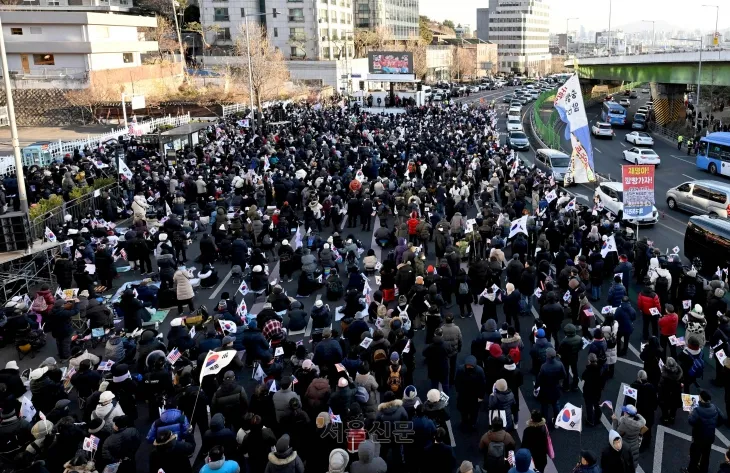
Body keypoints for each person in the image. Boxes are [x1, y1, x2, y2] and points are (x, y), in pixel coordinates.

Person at [681, 391, 724, 473]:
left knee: (695, 456)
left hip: (699, 438)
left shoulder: (697, 410)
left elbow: (691, 421)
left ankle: (690, 470)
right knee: (706, 455)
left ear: (701, 399)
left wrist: (690, 413)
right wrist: (714, 425)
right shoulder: (714, 407)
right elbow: (722, 418)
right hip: (710, 437)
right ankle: (703, 469)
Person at [535, 347, 565, 428]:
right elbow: (564, 375)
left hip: (545, 390)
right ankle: (556, 421)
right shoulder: (560, 364)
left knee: (544, 406)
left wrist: (536, 386)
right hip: (555, 388)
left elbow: (539, 379)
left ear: (547, 356)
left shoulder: (544, 366)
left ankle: (544, 423)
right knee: (556, 405)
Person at [455, 355, 486, 431]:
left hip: (466, 396)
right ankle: (471, 423)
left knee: (468, 411)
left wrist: (459, 391)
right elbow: (482, 385)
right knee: (471, 411)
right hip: (471, 396)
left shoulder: (461, 370)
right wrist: (481, 397)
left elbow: (457, 382)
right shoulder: (479, 371)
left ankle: (467, 423)